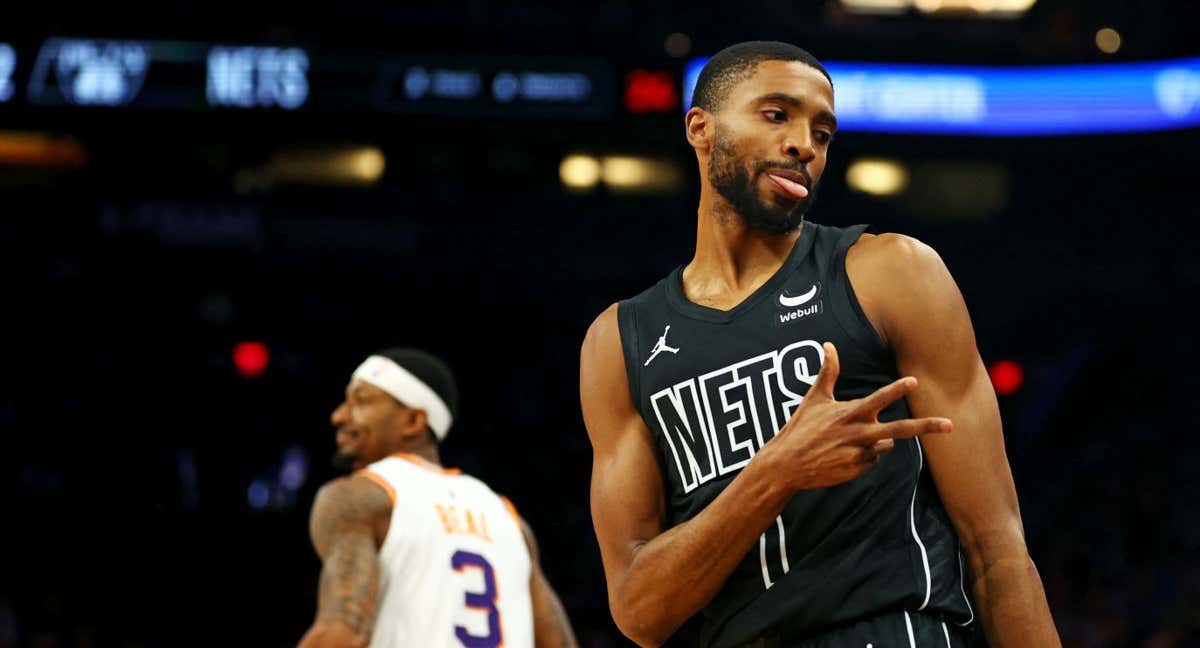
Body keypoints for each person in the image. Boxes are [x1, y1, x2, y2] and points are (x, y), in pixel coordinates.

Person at [579, 41, 1060, 647]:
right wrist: (776, 471)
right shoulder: (619, 341)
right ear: (701, 129)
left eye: (823, 132)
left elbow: (997, 547)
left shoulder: (888, 272)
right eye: (777, 115)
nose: (805, 145)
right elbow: (640, 613)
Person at [299, 348, 577, 648]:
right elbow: (559, 643)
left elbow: (345, 632)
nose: (339, 415)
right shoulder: (509, 518)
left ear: (414, 422)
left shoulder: (359, 495)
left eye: (361, 401)